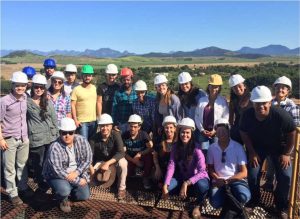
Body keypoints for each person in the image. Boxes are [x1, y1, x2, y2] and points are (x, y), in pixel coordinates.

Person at [239, 86, 296, 218]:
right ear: (253, 103)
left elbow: (292, 132)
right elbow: (243, 132)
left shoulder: (280, 115)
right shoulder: (247, 115)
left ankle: (281, 206)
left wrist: (287, 153)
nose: (261, 106)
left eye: (264, 103)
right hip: (258, 148)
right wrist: (252, 152)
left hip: (278, 148)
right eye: (258, 103)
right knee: (253, 174)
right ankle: (254, 200)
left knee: (285, 176)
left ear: (270, 103)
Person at [42, 117, 92, 213]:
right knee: (64, 190)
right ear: (60, 132)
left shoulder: (82, 140)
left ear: (74, 132)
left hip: (75, 173)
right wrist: (77, 180)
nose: (67, 135)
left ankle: (67, 190)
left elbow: (87, 160)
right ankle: (62, 198)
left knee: (84, 196)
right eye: (64, 133)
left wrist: (81, 175)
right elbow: (58, 171)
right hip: (56, 176)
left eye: (70, 132)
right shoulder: (54, 147)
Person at [162, 118, 209, 219]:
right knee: (168, 188)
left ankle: (198, 204)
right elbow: (171, 165)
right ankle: (184, 192)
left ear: (192, 134)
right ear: (179, 133)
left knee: (203, 186)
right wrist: (165, 184)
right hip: (182, 176)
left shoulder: (197, 149)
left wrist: (187, 182)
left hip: (195, 179)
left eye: (187, 132)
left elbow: (202, 171)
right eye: (182, 132)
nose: (185, 135)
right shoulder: (175, 147)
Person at [0, 72, 34, 205]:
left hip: (23, 138)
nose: (20, 88)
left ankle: (23, 188)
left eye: (23, 85)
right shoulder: (4, 101)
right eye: (17, 85)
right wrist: (1, 139)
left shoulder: (26, 97)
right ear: (12, 85)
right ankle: (12, 193)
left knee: (22, 165)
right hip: (9, 139)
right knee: (9, 168)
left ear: (26, 86)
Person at [263, 76, 300, 191]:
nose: (280, 90)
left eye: (284, 88)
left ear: (288, 91)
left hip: (285, 146)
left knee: (284, 171)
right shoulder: (269, 104)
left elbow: (295, 129)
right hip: (271, 142)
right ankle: (269, 183)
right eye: (278, 87)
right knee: (270, 165)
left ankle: (281, 195)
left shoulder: (292, 107)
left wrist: (288, 152)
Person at [207, 118, 251, 210]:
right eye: (218, 131)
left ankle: (230, 199)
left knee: (244, 196)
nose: (221, 133)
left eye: (224, 130)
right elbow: (210, 168)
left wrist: (227, 181)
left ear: (228, 131)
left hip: (236, 180)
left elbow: (244, 172)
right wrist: (217, 178)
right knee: (215, 203)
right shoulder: (211, 148)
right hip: (218, 181)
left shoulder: (238, 147)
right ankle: (230, 199)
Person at [27, 74, 59, 197]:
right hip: (36, 139)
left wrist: (56, 135)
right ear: (33, 87)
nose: (39, 89)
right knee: (38, 165)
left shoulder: (47, 101)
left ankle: (54, 186)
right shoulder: (27, 103)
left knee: (51, 163)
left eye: (41, 87)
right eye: (36, 87)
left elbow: (54, 119)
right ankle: (42, 186)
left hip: (50, 137)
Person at [89, 114, 128, 200]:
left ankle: (121, 188)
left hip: (114, 159)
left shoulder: (116, 135)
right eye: (102, 126)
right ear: (99, 126)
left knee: (123, 163)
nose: (105, 128)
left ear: (111, 126)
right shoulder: (93, 138)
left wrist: (107, 163)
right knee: (92, 174)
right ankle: (96, 186)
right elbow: (90, 155)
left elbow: (121, 152)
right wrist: (91, 167)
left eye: (107, 125)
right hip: (100, 161)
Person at [195, 74, 229, 156]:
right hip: (203, 132)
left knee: (216, 152)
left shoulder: (223, 101)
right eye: (212, 86)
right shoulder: (202, 100)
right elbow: (197, 116)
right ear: (209, 86)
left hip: (217, 133)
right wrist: (202, 130)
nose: (214, 89)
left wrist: (216, 130)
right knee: (204, 153)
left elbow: (225, 117)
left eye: (217, 87)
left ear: (220, 88)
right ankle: (204, 168)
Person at [123, 114, 153, 189]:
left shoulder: (144, 135)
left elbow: (150, 148)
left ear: (139, 127)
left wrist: (140, 153)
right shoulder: (124, 136)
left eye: (135, 127)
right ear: (128, 125)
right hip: (130, 157)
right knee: (129, 171)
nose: (132, 128)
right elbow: (123, 152)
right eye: (131, 126)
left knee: (149, 157)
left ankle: (146, 177)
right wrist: (134, 161)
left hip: (141, 156)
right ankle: (130, 176)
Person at [154, 74, 183, 140]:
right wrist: (159, 126)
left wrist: (177, 130)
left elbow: (179, 116)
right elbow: (158, 115)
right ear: (156, 88)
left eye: (163, 85)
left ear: (167, 86)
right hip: (165, 128)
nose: (161, 87)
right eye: (158, 86)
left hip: (173, 129)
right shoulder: (157, 99)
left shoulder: (173, 98)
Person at [71, 64, 97, 140]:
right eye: (85, 75)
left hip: (93, 121)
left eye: (89, 75)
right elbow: (72, 105)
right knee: (83, 143)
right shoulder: (76, 89)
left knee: (92, 143)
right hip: (82, 122)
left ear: (92, 76)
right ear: (82, 76)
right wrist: (75, 120)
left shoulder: (94, 88)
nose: (87, 77)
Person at [152, 116, 177, 186]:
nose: (168, 130)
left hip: (174, 169)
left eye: (171, 127)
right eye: (166, 127)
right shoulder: (158, 140)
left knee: (170, 186)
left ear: (175, 129)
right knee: (155, 178)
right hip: (162, 167)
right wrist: (157, 168)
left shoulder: (179, 141)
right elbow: (155, 155)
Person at [228, 74, 252, 144]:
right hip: (238, 130)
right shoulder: (233, 101)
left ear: (244, 86)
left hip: (251, 129)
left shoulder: (252, 97)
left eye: (239, 86)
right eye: (234, 88)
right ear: (232, 89)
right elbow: (231, 119)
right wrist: (232, 131)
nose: (238, 89)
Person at [112, 68, 137, 133]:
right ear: (121, 80)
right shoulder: (117, 92)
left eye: (128, 80)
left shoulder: (137, 91)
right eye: (124, 80)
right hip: (121, 123)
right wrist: (114, 123)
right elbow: (114, 109)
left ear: (132, 79)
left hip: (134, 124)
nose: (126, 82)